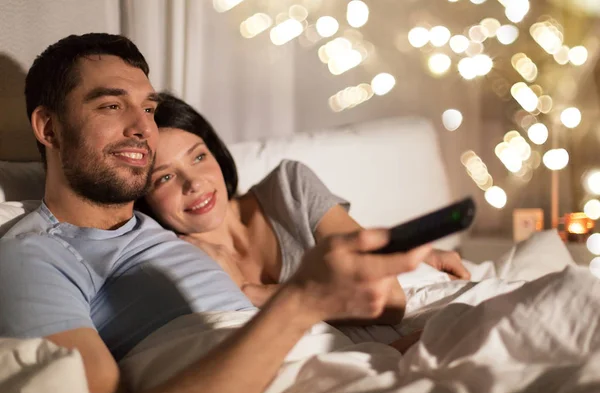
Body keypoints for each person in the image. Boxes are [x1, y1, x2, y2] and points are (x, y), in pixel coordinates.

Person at [0, 33, 432, 393]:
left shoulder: (166, 227)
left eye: (148, 108)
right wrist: (300, 301)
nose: (143, 127)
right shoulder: (33, 255)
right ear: (49, 128)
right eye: (112, 106)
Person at [137, 93, 471, 319]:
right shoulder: (171, 255)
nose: (193, 182)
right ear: (146, 199)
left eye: (198, 156)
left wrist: (252, 292)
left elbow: (388, 299)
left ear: (216, 154)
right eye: (164, 178)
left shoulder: (288, 186)